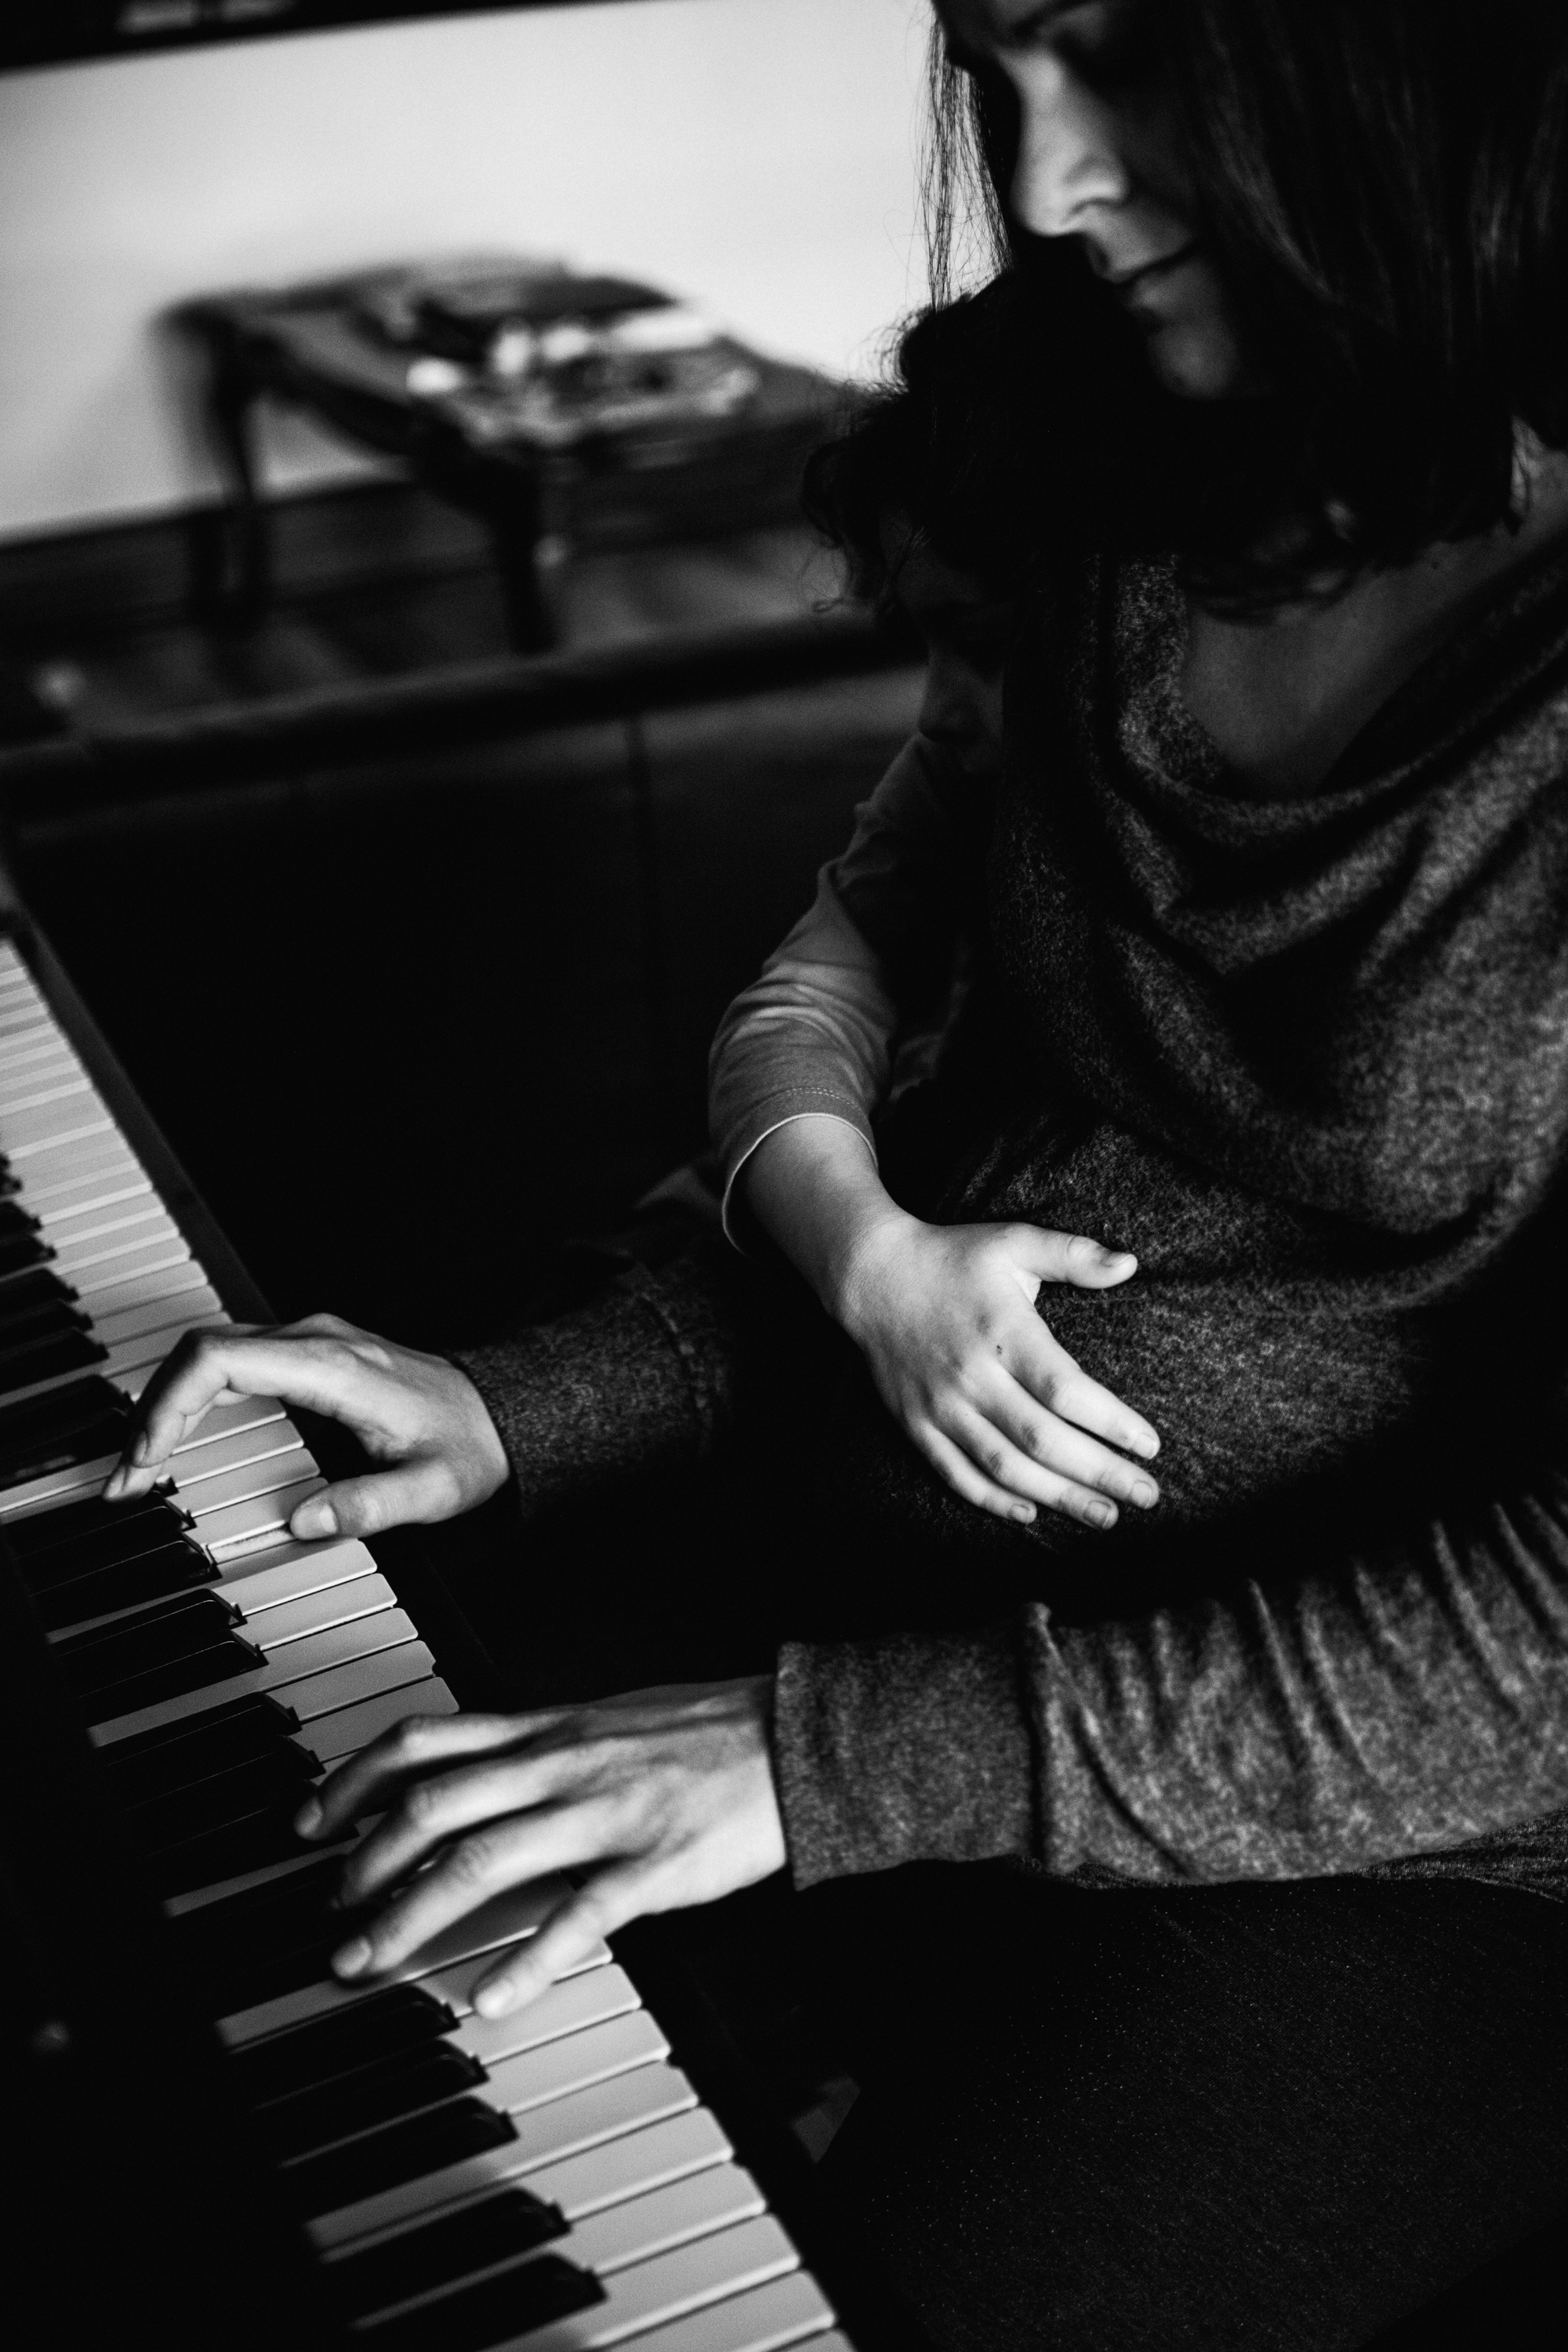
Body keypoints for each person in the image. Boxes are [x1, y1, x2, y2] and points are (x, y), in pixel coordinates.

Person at [107, 3, 1568, 2343]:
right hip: (863, 1601)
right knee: (222, 1907)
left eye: (1127, 54)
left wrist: (808, 1765)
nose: (1055, 172)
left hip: (1427, 1840)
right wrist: (532, 1398)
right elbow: (962, 1117)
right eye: (999, 61)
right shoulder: (1147, 471)